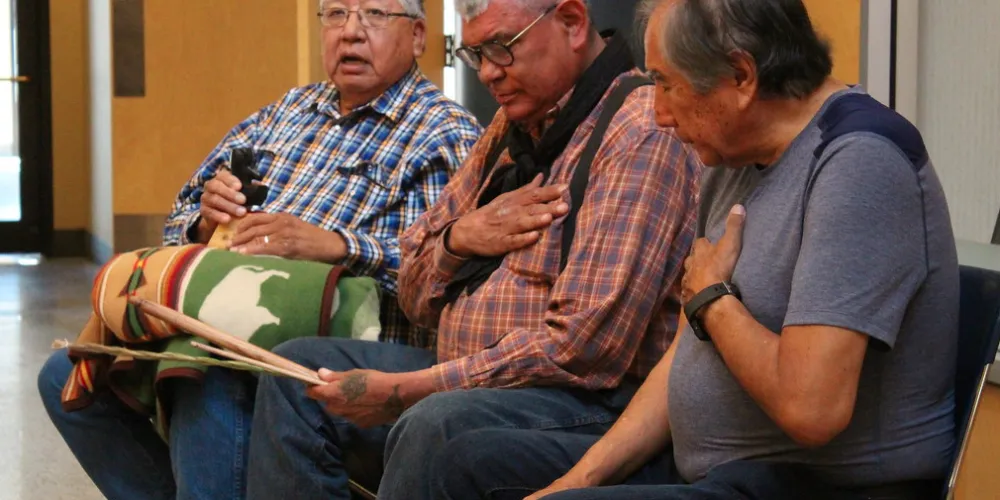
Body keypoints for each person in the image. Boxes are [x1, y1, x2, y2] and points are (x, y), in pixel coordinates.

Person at [429, 0, 961, 499]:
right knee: (463, 459)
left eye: (666, 84)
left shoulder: (860, 163)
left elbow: (811, 409)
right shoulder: (732, 160)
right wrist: (577, 480)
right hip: (710, 470)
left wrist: (712, 297)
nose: (658, 113)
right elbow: (687, 356)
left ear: (741, 76)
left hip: (815, 485)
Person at [243, 0, 701, 498]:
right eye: (475, 53)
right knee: (293, 375)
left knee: (434, 424)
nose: (486, 73)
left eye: (502, 48)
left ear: (571, 22)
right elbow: (415, 294)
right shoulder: (509, 128)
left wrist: (410, 390)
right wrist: (459, 240)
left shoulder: (638, 130)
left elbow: (584, 350)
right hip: (468, 374)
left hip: (589, 402)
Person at [37, 0, 481, 498]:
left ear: (419, 35)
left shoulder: (443, 133)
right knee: (68, 374)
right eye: (335, 14)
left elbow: (453, 277)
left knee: (207, 366)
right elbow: (178, 220)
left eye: (374, 14)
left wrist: (338, 247)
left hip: (343, 346)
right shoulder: (287, 111)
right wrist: (205, 220)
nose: (351, 33)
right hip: (228, 315)